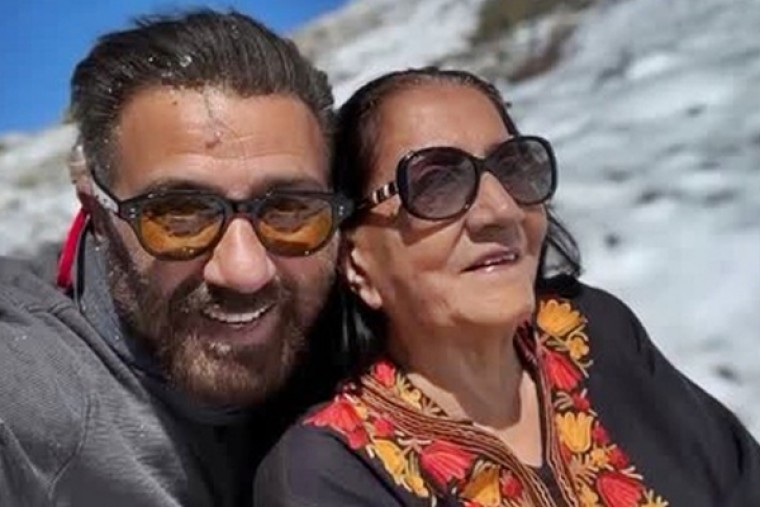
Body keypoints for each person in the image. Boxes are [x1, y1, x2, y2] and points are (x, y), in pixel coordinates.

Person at [254, 68, 760, 506]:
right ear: (355, 261)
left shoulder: (594, 332)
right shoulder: (329, 472)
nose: (500, 210)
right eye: (435, 183)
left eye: (513, 167)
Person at [0, 9, 352, 506]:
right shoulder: (29, 393)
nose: (245, 272)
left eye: (288, 209)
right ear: (97, 214)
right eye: (180, 214)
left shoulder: (375, 326)